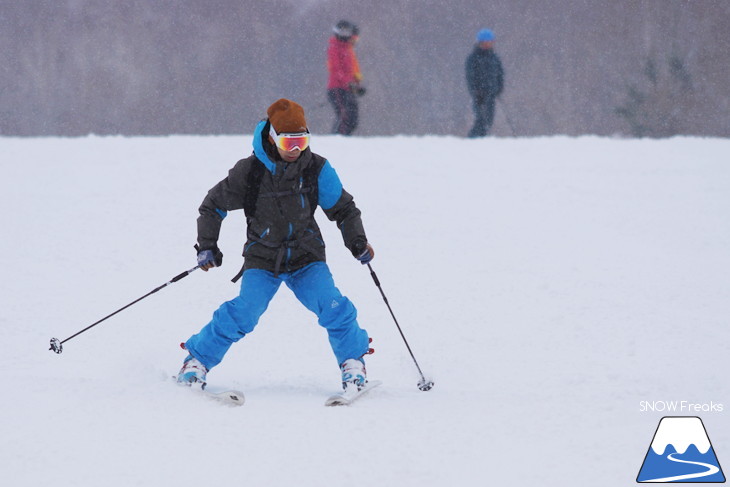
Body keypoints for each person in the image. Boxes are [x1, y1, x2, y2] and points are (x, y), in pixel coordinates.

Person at [177, 98, 375, 393]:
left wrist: (357, 241)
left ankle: (353, 364)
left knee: (333, 305)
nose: (296, 149)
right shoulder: (251, 172)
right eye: (288, 142)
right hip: (263, 258)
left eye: (301, 140)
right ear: (272, 137)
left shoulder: (316, 169)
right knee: (244, 311)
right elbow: (212, 206)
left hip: (307, 258)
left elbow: (343, 209)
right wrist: (207, 245)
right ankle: (196, 361)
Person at [327, 20, 365, 135]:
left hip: (348, 89)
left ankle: (345, 139)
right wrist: (348, 83)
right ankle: (337, 140)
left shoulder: (348, 49)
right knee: (345, 116)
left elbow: (353, 70)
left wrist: (357, 86)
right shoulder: (335, 48)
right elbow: (336, 69)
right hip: (337, 88)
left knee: (353, 118)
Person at [465, 28, 504, 137]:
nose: (488, 45)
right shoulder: (473, 58)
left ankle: (481, 140)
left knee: (489, 120)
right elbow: (470, 77)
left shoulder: (494, 58)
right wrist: (475, 91)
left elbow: (500, 75)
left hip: (491, 94)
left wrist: (499, 89)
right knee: (481, 120)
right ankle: (472, 140)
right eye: (485, 42)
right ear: (479, 43)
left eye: (490, 42)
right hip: (479, 95)